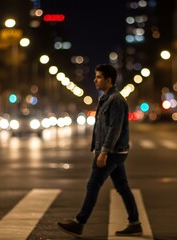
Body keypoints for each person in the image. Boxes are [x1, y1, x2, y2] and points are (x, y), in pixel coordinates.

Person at [57, 64, 142, 237]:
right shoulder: (106, 99)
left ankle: (79, 223)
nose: (95, 80)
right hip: (114, 151)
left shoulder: (116, 100)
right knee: (122, 187)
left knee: (93, 184)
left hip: (112, 152)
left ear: (108, 80)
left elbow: (114, 128)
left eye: (98, 77)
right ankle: (135, 223)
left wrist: (104, 152)